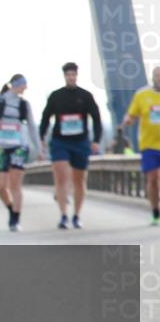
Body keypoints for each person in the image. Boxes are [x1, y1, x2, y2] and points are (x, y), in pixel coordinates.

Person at [39, 62, 102, 230]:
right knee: (62, 175)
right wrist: (41, 137)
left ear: (77, 76)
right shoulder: (56, 96)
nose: (71, 77)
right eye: (68, 75)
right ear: (64, 76)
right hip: (60, 141)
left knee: (79, 180)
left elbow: (96, 118)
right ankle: (63, 215)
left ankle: (77, 215)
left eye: (73, 75)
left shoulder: (86, 96)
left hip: (80, 142)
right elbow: (45, 117)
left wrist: (96, 140)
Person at [0, 74, 44, 232]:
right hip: (1, 146)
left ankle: (15, 218)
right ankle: (10, 207)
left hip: (19, 146)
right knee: (0, 186)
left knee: (15, 184)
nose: (26, 88)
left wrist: (39, 148)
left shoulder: (24, 104)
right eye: (24, 85)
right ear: (16, 84)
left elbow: (32, 127)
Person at [122, 65, 160, 226]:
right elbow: (131, 115)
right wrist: (128, 120)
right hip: (149, 145)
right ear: (153, 78)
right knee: (153, 179)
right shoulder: (142, 95)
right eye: (157, 76)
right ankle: (155, 212)